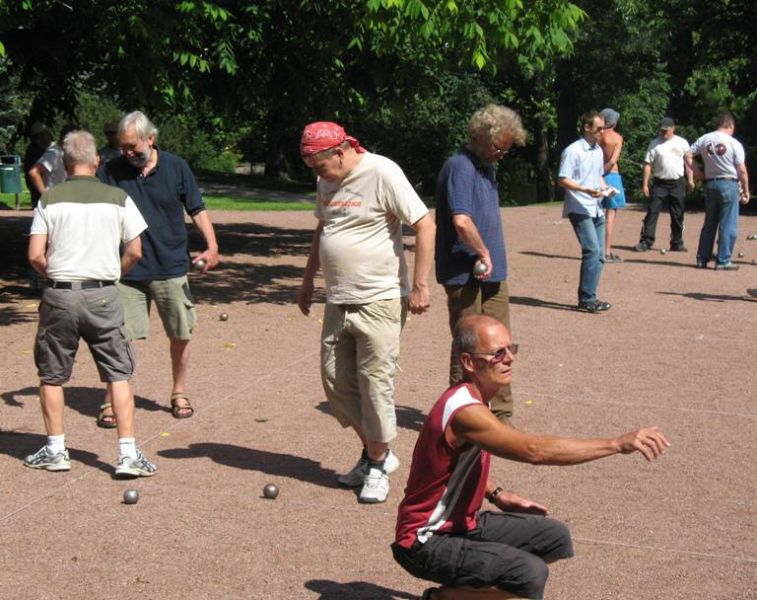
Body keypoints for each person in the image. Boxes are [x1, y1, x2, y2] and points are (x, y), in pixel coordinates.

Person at [392, 314, 670, 600]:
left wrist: (497, 493)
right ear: (468, 362)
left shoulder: (476, 397)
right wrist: (615, 444)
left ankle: (456, 595)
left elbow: (450, 466)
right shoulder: (466, 411)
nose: (510, 358)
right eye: (498, 353)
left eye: (512, 349)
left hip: (464, 523)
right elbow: (533, 451)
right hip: (425, 541)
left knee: (554, 538)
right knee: (529, 573)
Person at [298, 121, 435, 504]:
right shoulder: (328, 179)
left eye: (320, 165)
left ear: (339, 152)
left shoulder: (382, 171)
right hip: (338, 299)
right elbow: (322, 229)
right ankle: (377, 452)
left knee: (375, 385)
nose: (318, 174)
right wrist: (308, 280)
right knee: (336, 382)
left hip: (380, 299)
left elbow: (425, 224)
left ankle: (376, 465)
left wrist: (421, 285)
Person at [24, 129, 157, 478]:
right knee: (118, 371)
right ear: (97, 161)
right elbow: (135, 250)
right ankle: (127, 453)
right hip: (103, 293)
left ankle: (55, 449)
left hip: (60, 294)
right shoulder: (118, 197)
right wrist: (113, 273)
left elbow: (35, 255)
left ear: (66, 165)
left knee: (52, 375)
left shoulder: (50, 199)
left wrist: (56, 274)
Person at [97, 110, 220, 426]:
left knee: (180, 332)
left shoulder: (177, 167)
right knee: (118, 336)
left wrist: (212, 245)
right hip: (126, 269)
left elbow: (197, 209)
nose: (127, 153)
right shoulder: (111, 170)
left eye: (132, 146)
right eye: (122, 146)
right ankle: (113, 395)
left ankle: (179, 391)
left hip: (170, 265)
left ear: (150, 139)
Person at [435, 104, 526, 423]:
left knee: (500, 342)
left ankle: (500, 415)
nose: (503, 152)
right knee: (469, 345)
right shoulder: (459, 167)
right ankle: (462, 413)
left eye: (507, 147)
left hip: (492, 273)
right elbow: (461, 220)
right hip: (464, 272)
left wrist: (491, 258)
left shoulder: (487, 168)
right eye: (499, 146)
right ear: (478, 137)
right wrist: (483, 252)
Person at [558, 111, 613, 313]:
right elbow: (563, 179)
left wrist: (605, 189)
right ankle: (587, 299)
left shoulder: (598, 150)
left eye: (604, 128)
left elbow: (597, 176)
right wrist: (584, 190)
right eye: (599, 128)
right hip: (579, 206)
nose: (602, 132)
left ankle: (590, 295)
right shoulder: (573, 151)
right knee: (592, 250)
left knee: (599, 255)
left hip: (596, 207)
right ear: (587, 128)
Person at [687, 111, 751, 270]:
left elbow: (687, 154)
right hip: (728, 183)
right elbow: (741, 170)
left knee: (709, 223)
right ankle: (723, 259)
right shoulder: (733, 143)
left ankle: (702, 258)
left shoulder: (705, 139)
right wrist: (746, 190)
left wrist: (698, 173)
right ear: (730, 125)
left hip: (710, 183)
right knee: (728, 223)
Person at [634, 117, 695, 253]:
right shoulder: (654, 144)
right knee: (652, 211)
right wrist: (645, 184)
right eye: (661, 130)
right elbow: (647, 164)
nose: (663, 133)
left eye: (666, 130)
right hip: (659, 183)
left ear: (673, 128)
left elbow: (688, 162)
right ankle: (646, 241)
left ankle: (677, 242)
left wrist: (690, 179)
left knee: (678, 213)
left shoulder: (682, 142)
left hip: (677, 183)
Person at [599, 108, 627, 263]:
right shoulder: (617, 138)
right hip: (612, 176)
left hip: (596, 176)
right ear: (614, 122)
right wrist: (605, 169)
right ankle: (606, 251)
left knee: (597, 213)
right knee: (610, 215)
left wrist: (598, 172)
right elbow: (613, 160)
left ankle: (597, 248)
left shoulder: (598, 136)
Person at [26, 123, 67, 200]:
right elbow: (33, 173)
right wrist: (44, 194)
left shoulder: (54, 150)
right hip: (45, 194)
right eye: (37, 137)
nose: (41, 139)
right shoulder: (36, 151)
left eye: (44, 135)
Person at [23, 122, 50, 209]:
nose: (48, 137)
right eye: (46, 134)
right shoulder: (36, 151)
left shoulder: (34, 150)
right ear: (40, 136)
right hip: (39, 189)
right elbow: (34, 173)